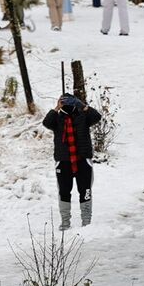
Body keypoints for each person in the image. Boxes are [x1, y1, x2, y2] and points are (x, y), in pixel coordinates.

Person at [43, 94, 103, 230]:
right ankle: (65, 222)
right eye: (64, 102)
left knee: (85, 190)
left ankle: (86, 222)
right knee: (64, 191)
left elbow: (97, 117)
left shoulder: (83, 116)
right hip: (63, 162)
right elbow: (46, 123)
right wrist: (57, 107)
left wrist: (82, 105)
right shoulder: (57, 118)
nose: (68, 105)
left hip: (83, 160)